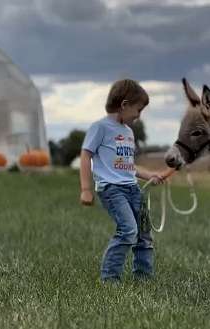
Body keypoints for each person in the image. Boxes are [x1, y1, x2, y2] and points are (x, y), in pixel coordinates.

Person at [79, 78, 165, 282]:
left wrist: (149, 174)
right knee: (128, 230)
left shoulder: (128, 132)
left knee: (144, 234)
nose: (139, 116)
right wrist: (85, 188)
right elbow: (85, 155)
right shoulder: (100, 127)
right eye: (138, 110)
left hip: (133, 189)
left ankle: (143, 278)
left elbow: (128, 165)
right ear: (124, 105)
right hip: (112, 189)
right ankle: (109, 278)